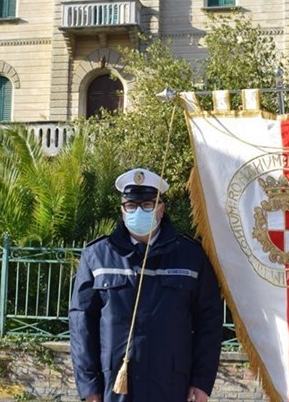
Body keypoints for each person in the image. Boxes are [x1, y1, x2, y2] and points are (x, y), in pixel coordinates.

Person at [69, 168, 223, 402]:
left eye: (147, 205)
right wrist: (89, 386)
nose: (138, 211)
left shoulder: (190, 256)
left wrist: (201, 382)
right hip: (115, 387)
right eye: (131, 206)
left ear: (161, 209)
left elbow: (209, 322)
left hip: (172, 386)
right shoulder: (97, 256)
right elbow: (81, 325)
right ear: (122, 211)